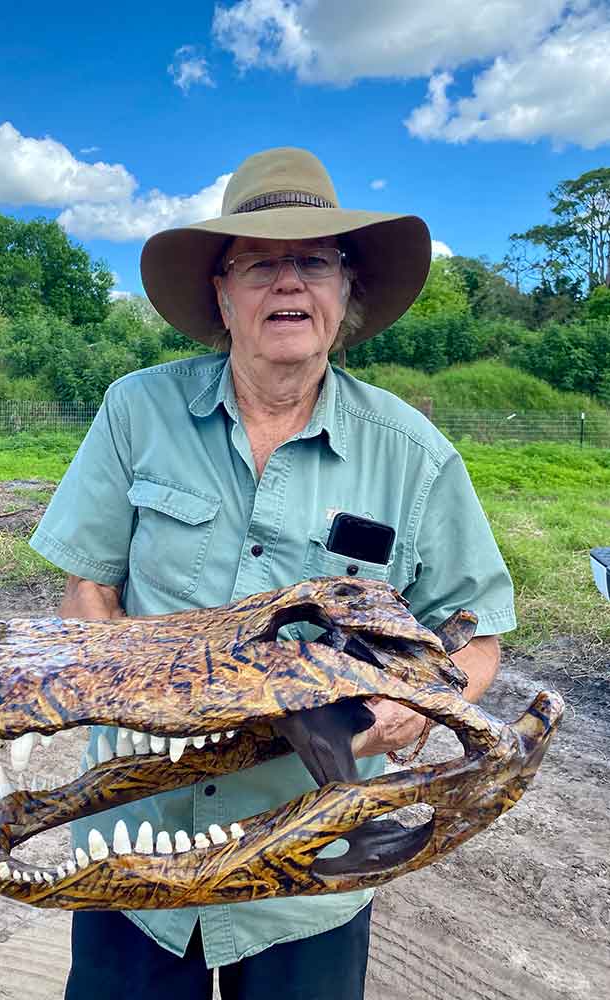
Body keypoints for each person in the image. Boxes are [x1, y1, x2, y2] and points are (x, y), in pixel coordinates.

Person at [29, 147, 516, 999]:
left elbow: (477, 633)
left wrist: (417, 702)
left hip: (312, 863)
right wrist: (135, 699)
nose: (287, 282)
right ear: (221, 292)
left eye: (313, 260)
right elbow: (88, 589)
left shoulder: (414, 456)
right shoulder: (135, 411)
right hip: (135, 847)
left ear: (343, 291)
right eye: (258, 261)